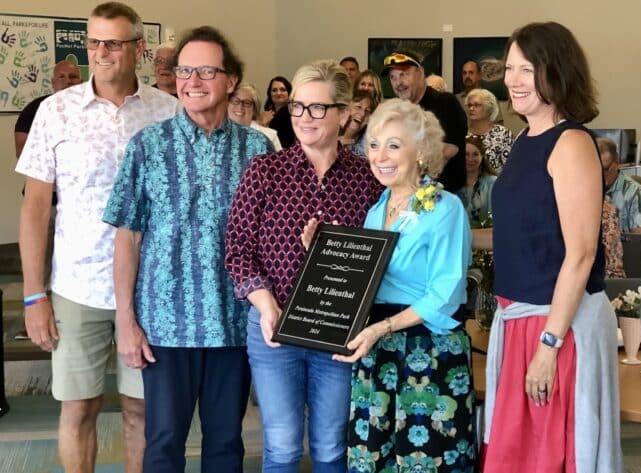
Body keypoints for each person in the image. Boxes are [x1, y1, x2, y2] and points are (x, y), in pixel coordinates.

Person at [16, 3, 179, 472]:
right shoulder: (55, 111)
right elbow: (35, 208)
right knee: (78, 407)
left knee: (141, 410)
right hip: (76, 286)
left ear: (138, 48)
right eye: (94, 42)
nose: (101, 52)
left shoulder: (166, 111)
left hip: (149, 289)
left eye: (113, 42)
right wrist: (32, 296)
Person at [103, 26, 271, 472]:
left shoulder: (258, 149)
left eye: (206, 71)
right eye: (184, 70)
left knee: (225, 444)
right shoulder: (147, 147)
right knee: (162, 443)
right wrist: (126, 321)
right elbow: (127, 237)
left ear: (231, 79)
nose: (191, 81)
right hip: (164, 325)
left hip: (234, 322)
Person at [224, 59, 383, 472]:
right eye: (298, 106)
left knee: (332, 447)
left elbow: (379, 257)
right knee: (281, 448)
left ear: (344, 113)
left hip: (339, 335)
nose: (304, 117)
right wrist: (265, 306)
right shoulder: (264, 171)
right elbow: (237, 249)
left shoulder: (366, 179)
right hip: (274, 329)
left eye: (317, 108)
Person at [302, 98, 475, 473]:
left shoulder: (445, 207)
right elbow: (363, 279)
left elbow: (445, 294)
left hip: (428, 350)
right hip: (376, 349)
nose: (380, 155)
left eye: (394, 145)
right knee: (372, 457)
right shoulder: (377, 208)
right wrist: (321, 254)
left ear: (421, 152)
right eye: (375, 144)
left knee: (426, 459)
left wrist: (382, 328)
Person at [484, 22, 622, 472]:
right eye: (509, 68)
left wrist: (548, 345)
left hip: (557, 326)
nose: (513, 80)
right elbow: (517, 232)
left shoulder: (572, 143)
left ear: (556, 72)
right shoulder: (525, 139)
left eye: (527, 69)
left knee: (552, 456)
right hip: (522, 319)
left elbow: (580, 255)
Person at [12, 59, 82, 341]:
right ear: (53, 81)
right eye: (62, 77)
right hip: (47, 202)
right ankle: (36, 317)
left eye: (74, 76)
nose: (68, 81)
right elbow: (23, 152)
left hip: (79, 205)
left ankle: (71, 321)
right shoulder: (37, 109)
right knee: (40, 262)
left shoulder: (89, 109)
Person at [383, 50, 467, 192]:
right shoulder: (397, 112)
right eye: (393, 77)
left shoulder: (446, 103)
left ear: (421, 73)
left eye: (404, 74)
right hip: (407, 194)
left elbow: (447, 150)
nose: (399, 83)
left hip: (443, 197)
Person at [598, 136, 641, 234]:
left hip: (624, 248)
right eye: (595, 169)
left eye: (605, 169)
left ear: (617, 164)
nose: (599, 175)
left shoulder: (636, 192)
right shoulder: (586, 189)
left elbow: (638, 239)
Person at [465, 88, 513, 171]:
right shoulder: (461, 132)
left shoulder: (503, 134)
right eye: (469, 105)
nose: (471, 109)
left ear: (489, 109)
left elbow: (510, 167)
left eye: (477, 105)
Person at [229, 82, 282, 150]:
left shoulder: (270, 136)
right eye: (235, 101)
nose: (240, 106)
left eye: (247, 103)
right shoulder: (214, 134)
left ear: (254, 109)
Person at [457, 135, 496, 225]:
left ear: (482, 156)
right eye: (466, 154)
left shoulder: (493, 183)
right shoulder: (452, 184)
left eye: (475, 154)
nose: (470, 159)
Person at [339, 88, 376, 158]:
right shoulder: (328, 134)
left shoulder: (368, 147)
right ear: (345, 108)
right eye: (358, 107)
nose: (362, 114)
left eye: (367, 111)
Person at [262, 75, 296, 148]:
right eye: (274, 90)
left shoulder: (290, 112)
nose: (278, 93)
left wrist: (264, 125)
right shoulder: (270, 113)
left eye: (283, 89)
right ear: (270, 94)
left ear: (289, 92)